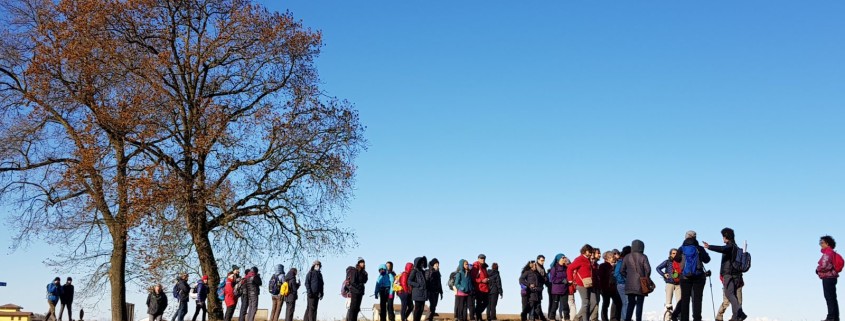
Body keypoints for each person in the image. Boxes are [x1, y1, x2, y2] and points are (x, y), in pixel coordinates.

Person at [703, 228, 747, 321]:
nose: (722, 238)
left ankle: (740, 313)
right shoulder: (736, 247)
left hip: (728, 275)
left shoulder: (730, 246)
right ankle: (736, 317)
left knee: (729, 294)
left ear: (726, 237)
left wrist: (709, 246)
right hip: (735, 276)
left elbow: (722, 249)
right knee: (733, 296)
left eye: (723, 236)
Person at [673, 231, 711, 321]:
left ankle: (684, 319)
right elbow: (707, 260)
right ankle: (697, 319)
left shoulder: (681, 248)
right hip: (699, 277)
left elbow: (676, 259)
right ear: (695, 238)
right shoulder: (699, 248)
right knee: (697, 300)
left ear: (686, 237)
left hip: (685, 277)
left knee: (685, 300)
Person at [620, 240, 651, 321]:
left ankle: (627, 319)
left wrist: (628, 277)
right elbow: (648, 269)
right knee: (640, 304)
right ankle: (638, 319)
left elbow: (621, 270)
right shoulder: (643, 256)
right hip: (641, 284)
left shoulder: (627, 257)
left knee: (631, 303)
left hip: (629, 284)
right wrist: (646, 277)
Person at [568, 245, 597, 321]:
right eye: (590, 252)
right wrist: (570, 280)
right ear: (586, 251)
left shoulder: (588, 260)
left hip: (590, 283)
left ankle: (578, 318)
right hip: (581, 284)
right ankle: (584, 319)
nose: (591, 253)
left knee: (594, 302)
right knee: (586, 303)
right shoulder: (579, 259)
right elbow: (570, 268)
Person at [818, 235, 840, 321]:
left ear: (827, 243)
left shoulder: (828, 253)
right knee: (833, 298)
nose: (820, 244)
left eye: (822, 242)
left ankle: (831, 318)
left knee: (829, 298)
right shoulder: (832, 253)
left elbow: (824, 265)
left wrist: (817, 269)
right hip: (832, 277)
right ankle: (835, 318)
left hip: (828, 277)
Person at [656, 248, 681, 316]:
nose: (675, 255)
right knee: (668, 303)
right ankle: (667, 318)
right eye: (673, 253)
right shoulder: (667, 262)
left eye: (676, 253)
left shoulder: (680, 262)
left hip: (679, 284)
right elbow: (658, 268)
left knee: (680, 302)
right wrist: (663, 274)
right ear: (670, 254)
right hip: (669, 283)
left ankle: (679, 318)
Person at [598, 252, 620, 321]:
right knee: (606, 303)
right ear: (607, 258)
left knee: (617, 302)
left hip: (612, 288)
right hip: (606, 288)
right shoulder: (603, 266)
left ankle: (614, 318)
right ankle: (605, 318)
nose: (613, 258)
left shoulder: (614, 266)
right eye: (611, 257)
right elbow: (601, 277)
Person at [548, 254, 569, 321]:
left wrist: (568, 281)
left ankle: (567, 318)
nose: (564, 259)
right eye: (563, 258)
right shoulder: (554, 268)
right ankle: (552, 318)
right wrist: (562, 280)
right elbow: (552, 279)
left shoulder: (565, 268)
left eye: (565, 257)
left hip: (564, 289)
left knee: (565, 305)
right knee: (555, 305)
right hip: (556, 290)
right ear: (559, 259)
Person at [470, 254, 490, 321]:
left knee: (486, 302)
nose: (483, 259)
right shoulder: (476, 266)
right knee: (479, 303)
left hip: (485, 288)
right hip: (479, 288)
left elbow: (485, 276)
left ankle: (478, 315)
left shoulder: (484, 267)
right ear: (478, 259)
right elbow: (473, 278)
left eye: (484, 258)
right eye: (481, 258)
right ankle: (478, 316)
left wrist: (487, 280)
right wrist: (482, 280)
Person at [614, 247, 631, 321]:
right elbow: (617, 273)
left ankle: (625, 318)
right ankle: (624, 318)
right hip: (622, 284)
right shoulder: (621, 261)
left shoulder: (624, 261)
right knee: (626, 302)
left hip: (624, 284)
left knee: (626, 302)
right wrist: (623, 280)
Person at [410, 257, 429, 321]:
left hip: (423, 293)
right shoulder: (414, 271)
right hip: (417, 293)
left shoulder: (424, 272)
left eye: (423, 262)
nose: (422, 264)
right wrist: (418, 285)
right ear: (418, 263)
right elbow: (409, 281)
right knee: (417, 309)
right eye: (421, 262)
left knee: (421, 309)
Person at [535, 255, 548, 321]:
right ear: (538, 260)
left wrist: (546, 282)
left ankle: (538, 316)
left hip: (540, 287)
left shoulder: (542, 267)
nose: (543, 262)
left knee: (539, 301)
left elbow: (545, 276)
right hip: (535, 287)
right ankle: (539, 316)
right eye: (541, 260)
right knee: (537, 301)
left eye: (543, 260)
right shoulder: (535, 266)